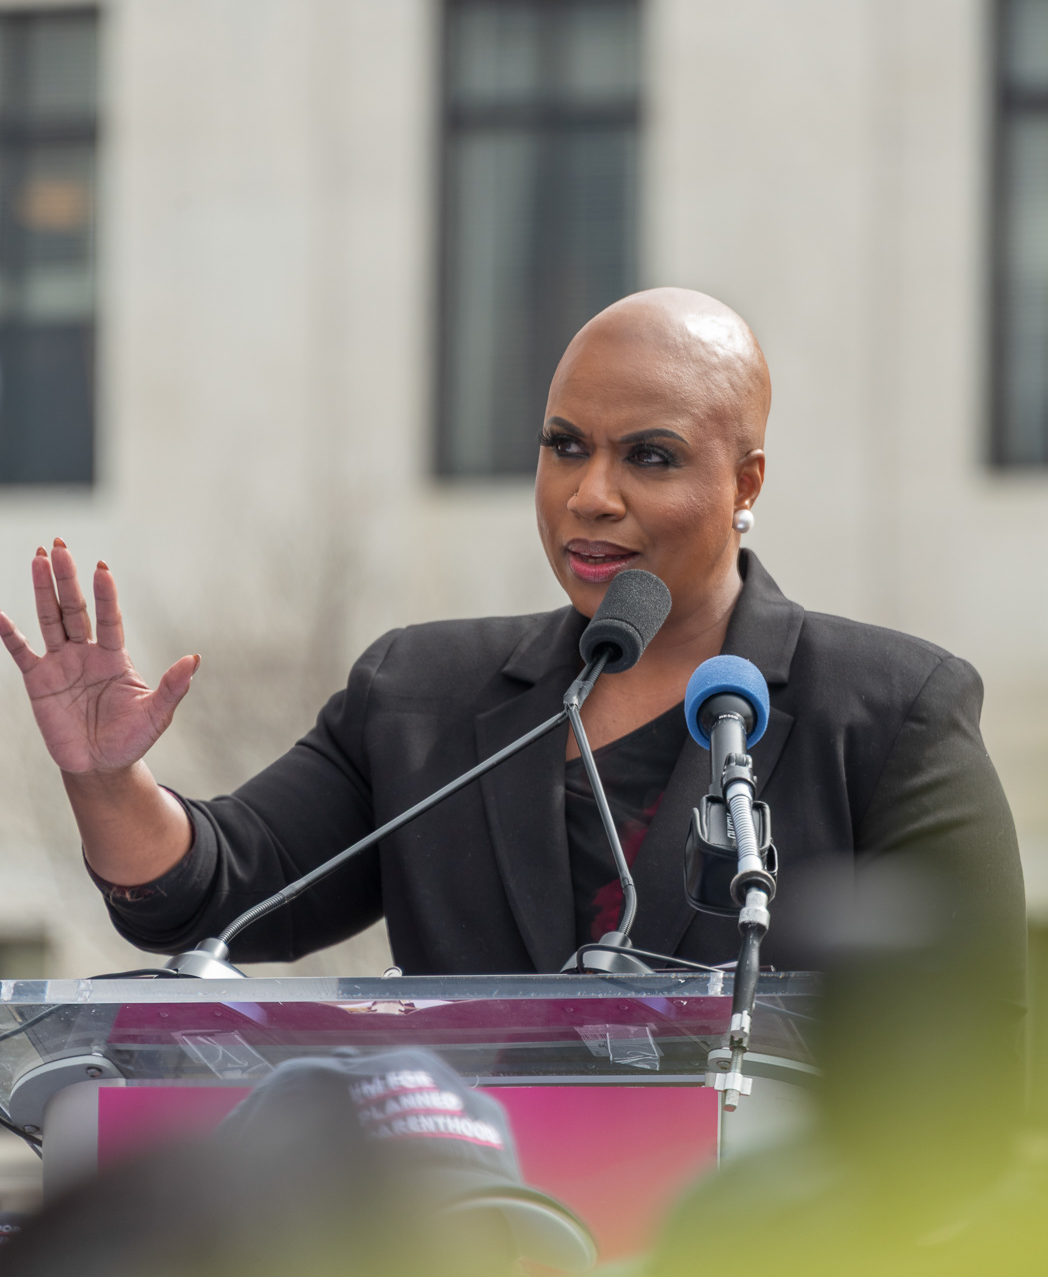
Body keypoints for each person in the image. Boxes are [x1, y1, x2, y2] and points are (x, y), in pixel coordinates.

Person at [0, 289, 1026, 990]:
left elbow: (968, 1068)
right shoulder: (420, 698)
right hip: (476, 1265)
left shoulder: (890, 716)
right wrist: (104, 778)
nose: (590, 496)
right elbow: (214, 891)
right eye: (564, 447)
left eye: (651, 458)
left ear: (744, 482)